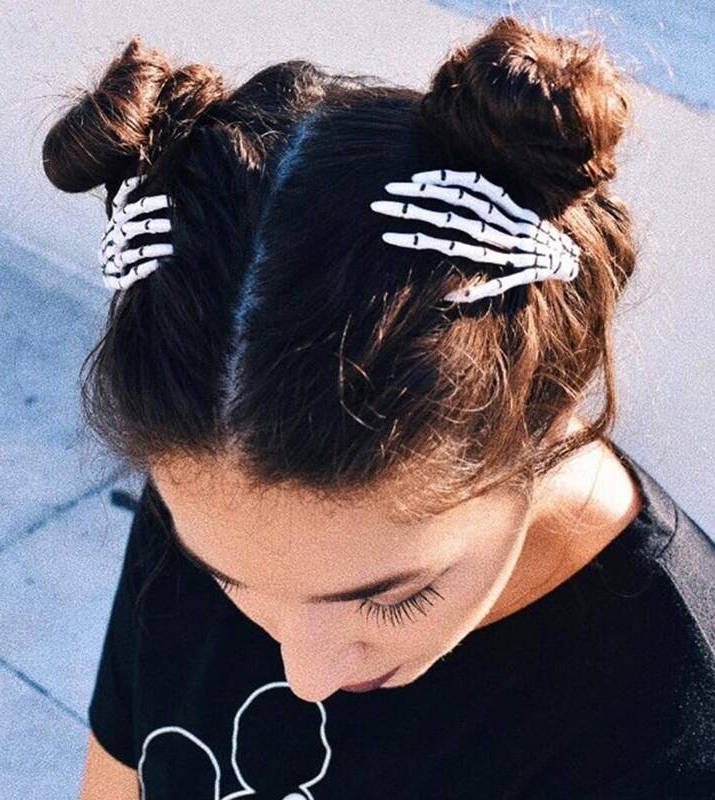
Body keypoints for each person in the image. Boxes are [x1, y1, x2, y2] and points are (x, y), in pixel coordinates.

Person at [42, 16, 715, 800]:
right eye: (229, 582)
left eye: (396, 600)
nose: (307, 675)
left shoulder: (664, 732)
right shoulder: (219, 472)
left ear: (543, 418)